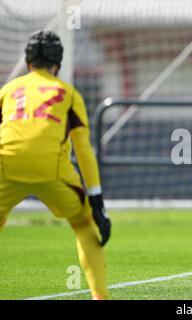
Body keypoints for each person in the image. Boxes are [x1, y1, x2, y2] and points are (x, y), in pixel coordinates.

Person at [0, 30, 111, 299]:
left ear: (28, 61)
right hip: (52, 170)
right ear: (57, 64)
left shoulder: (7, 90)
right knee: (84, 223)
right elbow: (83, 149)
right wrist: (96, 200)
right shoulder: (68, 93)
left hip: (5, 164)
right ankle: (100, 297)